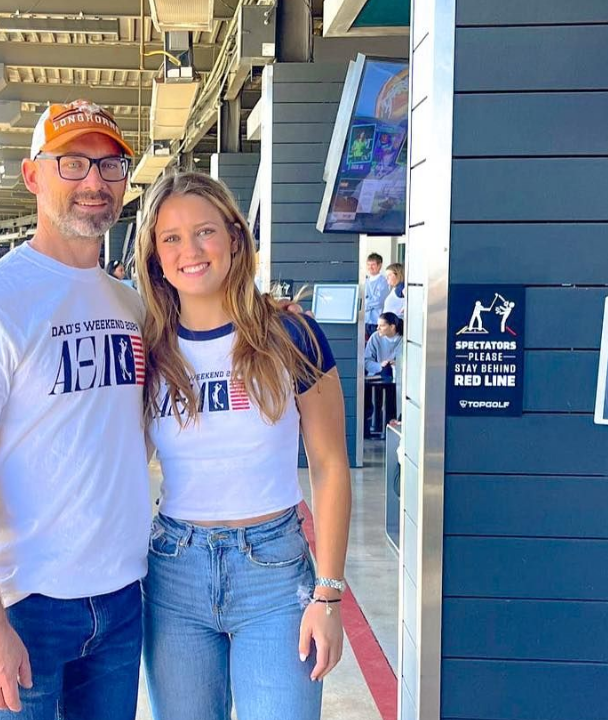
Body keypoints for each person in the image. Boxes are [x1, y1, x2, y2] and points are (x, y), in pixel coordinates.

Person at [0, 100, 148, 720]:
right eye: (72, 163)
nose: (94, 181)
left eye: (110, 165)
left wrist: (268, 315)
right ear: (32, 176)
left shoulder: (132, 306)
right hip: (19, 605)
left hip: (120, 599)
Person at [134, 171, 354, 720]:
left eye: (205, 231)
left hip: (274, 574)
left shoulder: (292, 335)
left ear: (235, 237)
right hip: (175, 572)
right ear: (155, 256)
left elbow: (330, 466)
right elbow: (124, 462)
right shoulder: (149, 347)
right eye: (172, 238)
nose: (190, 250)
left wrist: (328, 595)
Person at [363, 312, 403, 434]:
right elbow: (366, 361)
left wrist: (398, 364)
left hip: (399, 378)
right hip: (377, 377)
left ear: (392, 327)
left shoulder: (403, 339)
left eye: (382, 326)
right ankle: (374, 426)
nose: (377, 328)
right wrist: (379, 366)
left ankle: (391, 427)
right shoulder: (375, 338)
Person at [363, 253, 389, 339]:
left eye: (373, 264)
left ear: (379, 265)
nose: (370, 267)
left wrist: (365, 305)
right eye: (368, 264)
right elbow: (361, 299)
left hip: (377, 323)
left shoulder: (384, 281)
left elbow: (379, 302)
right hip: (365, 321)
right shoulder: (365, 281)